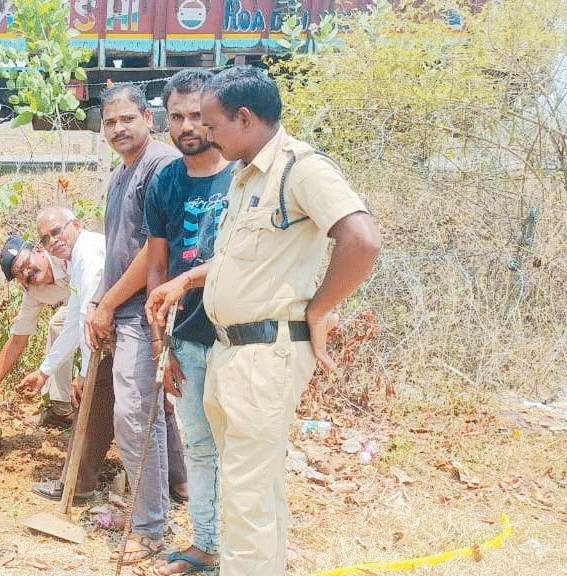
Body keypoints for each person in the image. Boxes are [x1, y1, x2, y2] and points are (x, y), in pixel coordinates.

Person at [148, 65, 381, 576]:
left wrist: (320, 307)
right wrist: (187, 281)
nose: (205, 134)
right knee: (254, 493)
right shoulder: (246, 175)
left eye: (212, 123)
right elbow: (240, 263)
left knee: (248, 503)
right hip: (232, 352)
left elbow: (361, 240)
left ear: (245, 118)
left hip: (264, 354)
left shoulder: (301, 168)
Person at [81, 83, 183, 564]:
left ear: (148, 116)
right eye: (109, 122)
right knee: (145, 412)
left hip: (145, 313)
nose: (118, 129)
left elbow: (151, 253)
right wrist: (98, 300)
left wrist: (109, 305)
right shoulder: (121, 174)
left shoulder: (159, 165)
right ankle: (169, 494)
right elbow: (116, 248)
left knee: (135, 416)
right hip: (119, 308)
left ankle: (149, 527)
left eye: (127, 119)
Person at [142, 69, 235, 576]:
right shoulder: (166, 180)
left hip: (240, 339)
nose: (187, 126)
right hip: (189, 338)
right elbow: (157, 266)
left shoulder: (242, 174)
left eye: (197, 115)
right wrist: (163, 341)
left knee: (238, 447)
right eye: (177, 116)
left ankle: (243, 548)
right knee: (199, 446)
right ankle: (204, 544)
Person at [19, 207, 116, 504]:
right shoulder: (77, 260)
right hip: (116, 339)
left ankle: (75, 485)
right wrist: (46, 370)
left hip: (117, 337)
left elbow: (91, 324)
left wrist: (86, 374)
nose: (53, 241)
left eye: (57, 232)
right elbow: (76, 318)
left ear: (76, 225)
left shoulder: (89, 255)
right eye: (46, 238)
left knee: (94, 407)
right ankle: (180, 482)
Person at [0, 235, 74, 427]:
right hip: (80, 308)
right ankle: (61, 408)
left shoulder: (65, 255)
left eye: (26, 263)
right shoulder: (33, 291)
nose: (27, 272)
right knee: (59, 324)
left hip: (110, 293)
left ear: (39, 250)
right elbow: (18, 340)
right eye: (19, 273)